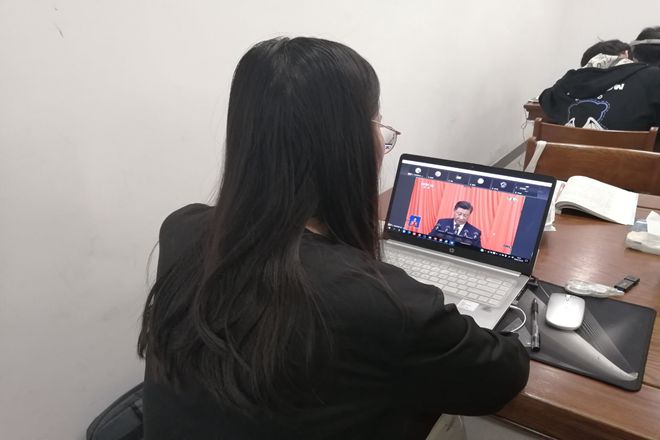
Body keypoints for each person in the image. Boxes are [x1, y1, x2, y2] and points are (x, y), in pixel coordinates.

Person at [138, 37, 529, 440]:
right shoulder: (379, 301)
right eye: (378, 124)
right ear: (349, 146)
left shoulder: (182, 228)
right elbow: (503, 375)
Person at [538, 37, 660, 133]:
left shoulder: (567, 81)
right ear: (626, 54)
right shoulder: (651, 76)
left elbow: (544, 99)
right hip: (627, 156)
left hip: (567, 156)